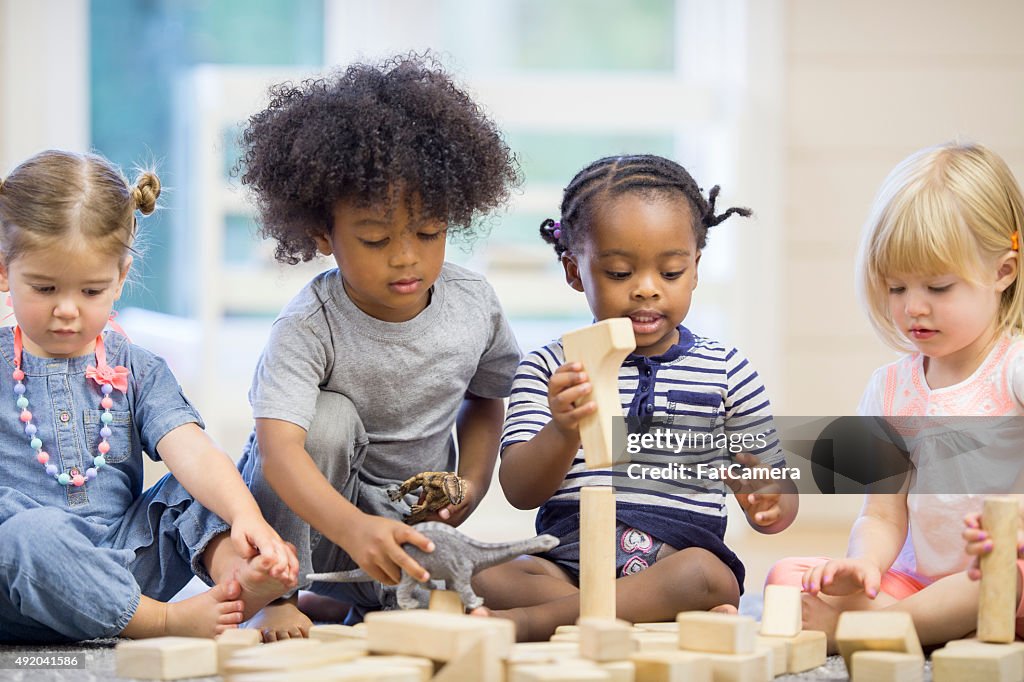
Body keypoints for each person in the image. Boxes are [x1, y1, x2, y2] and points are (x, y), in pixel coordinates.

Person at [234, 54, 522, 639]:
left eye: (429, 232)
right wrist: (352, 531)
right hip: (318, 528)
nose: (406, 256)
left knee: (509, 586)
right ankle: (282, 593)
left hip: (406, 530)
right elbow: (279, 453)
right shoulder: (308, 326)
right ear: (322, 235)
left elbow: (489, 398)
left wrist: (472, 481)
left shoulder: (473, 304)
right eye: (374, 238)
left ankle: (357, 602)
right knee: (328, 421)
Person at [473, 154, 798, 642]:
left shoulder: (726, 370)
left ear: (695, 269)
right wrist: (563, 428)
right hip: (569, 563)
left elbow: (776, 490)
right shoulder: (549, 368)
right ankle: (630, 616)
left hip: (675, 564)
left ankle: (536, 623)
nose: (647, 290)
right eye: (620, 273)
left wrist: (771, 500)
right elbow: (521, 491)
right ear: (574, 271)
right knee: (482, 571)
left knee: (707, 577)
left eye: (670, 273)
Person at [0, 150, 298, 643]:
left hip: (127, 564)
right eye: (46, 288)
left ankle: (239, 583)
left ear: (120, 277)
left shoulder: (136, 367)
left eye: (92, 291)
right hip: (21, 582)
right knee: (25, 531)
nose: (68, 310)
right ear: (5, 271)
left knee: (201, 486)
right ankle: (166, 622)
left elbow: (193, 451)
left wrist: (245, 516)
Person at [766, 141, 1024, 649]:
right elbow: (881, 514)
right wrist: (864, 562)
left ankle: (872, 630)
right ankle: (917, 626)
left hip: (1003, 577)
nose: (914, 309)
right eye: (897, 287)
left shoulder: (1013, 369)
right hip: (917, 584)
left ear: (1003, 272)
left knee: (998, 577)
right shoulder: (889, 389)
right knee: (787, 580)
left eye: (938, 287)